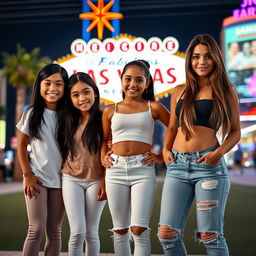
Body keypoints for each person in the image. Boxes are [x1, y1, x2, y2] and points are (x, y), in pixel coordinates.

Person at [158, 34, 241, 256]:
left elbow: (235, 132)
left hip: (208, 167)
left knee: (210, 236)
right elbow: (173, 127)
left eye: (207, 57)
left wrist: (218, 153)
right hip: (176, 166)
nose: (201, 62)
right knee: (166, 234)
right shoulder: (179, 90)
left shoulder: (226, 91)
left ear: (216, 59)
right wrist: (166, 150)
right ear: (189, 60)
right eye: (196, 57)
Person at [101, 59, 169, 256]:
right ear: (121, 80)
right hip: (115, 170)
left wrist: (161, 155)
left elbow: (176, 128)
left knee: (139, 229)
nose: (133, 84)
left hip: (143, 169)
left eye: (139, 80)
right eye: (128, 79)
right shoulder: (109, 110)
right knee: (120, 229)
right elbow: (103, 141)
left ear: (147, 83)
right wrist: (103, 159)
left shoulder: (153, 107)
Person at [16, 63, 68, 256]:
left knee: (54, 232)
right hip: (36, 178)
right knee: (35, 230)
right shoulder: (31, 113)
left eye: (58, 84)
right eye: (47, 83)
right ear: (39, 86)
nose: (53, 88)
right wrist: (27, 174)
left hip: (62, 181)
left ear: (65, 87)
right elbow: (21, 145)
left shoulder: (70, 115)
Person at [60, 72, 106, 256]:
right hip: (71, 179)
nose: (82, 98)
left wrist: (105, 180)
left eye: (86, 92)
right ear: (69, 98)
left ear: (94, 92)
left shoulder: (105, 118)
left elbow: (110, 152)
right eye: (75, 94)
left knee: (91, 233)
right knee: (77, 232)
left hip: (97, 180)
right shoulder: (65, 120)